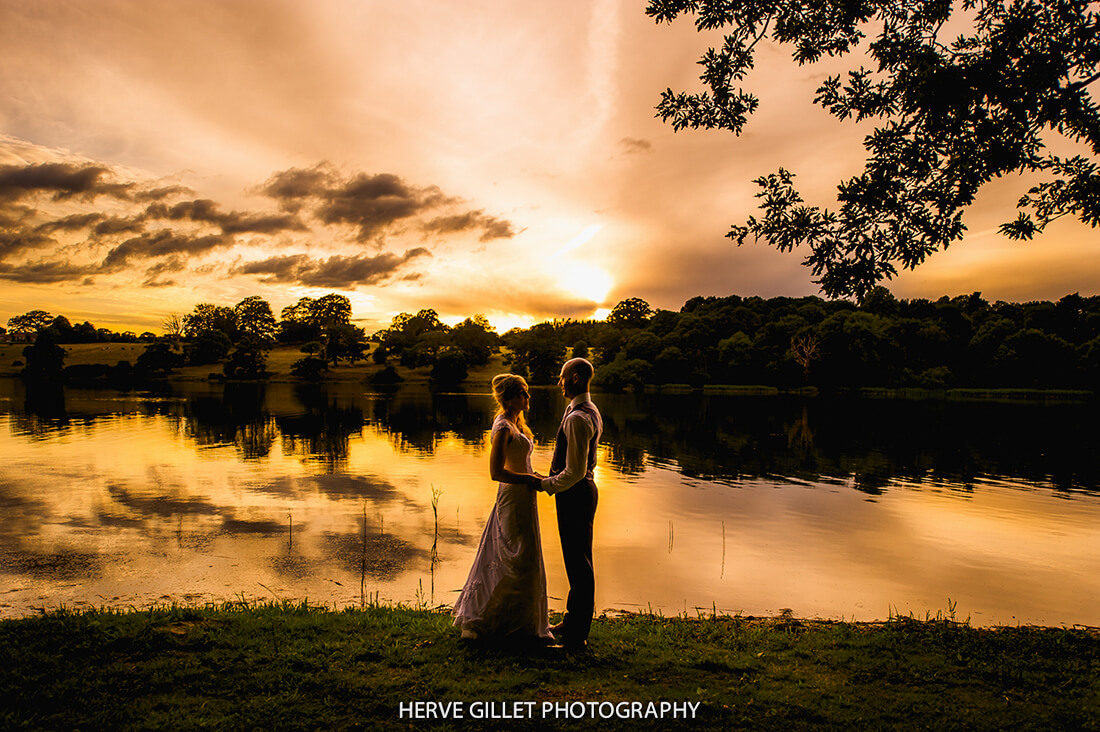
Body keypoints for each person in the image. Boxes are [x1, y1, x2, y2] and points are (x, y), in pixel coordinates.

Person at [452, 374, 552, 644]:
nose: (527, 398)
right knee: (514, 556)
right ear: (508, 398)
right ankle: (492, 619)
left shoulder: (517, 424)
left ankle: (522, 620)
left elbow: (521, 465)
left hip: (525, 497)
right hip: (512, 497)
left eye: (527, 392)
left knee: (525, 558)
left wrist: (538, 477)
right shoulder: (503, 427)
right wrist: (530, 480)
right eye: (522, 393)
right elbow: (496, 472)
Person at [538, 358, 603, 650]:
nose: (559, 382)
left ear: (575, 378)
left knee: (579, 564)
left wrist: (544, 484)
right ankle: (572, 619)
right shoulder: (583, 409)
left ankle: (577, 636)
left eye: (562, 377)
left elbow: (575, 471)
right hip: (578, 492)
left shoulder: (578, 417)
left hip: (576, 493)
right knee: (576, 561)